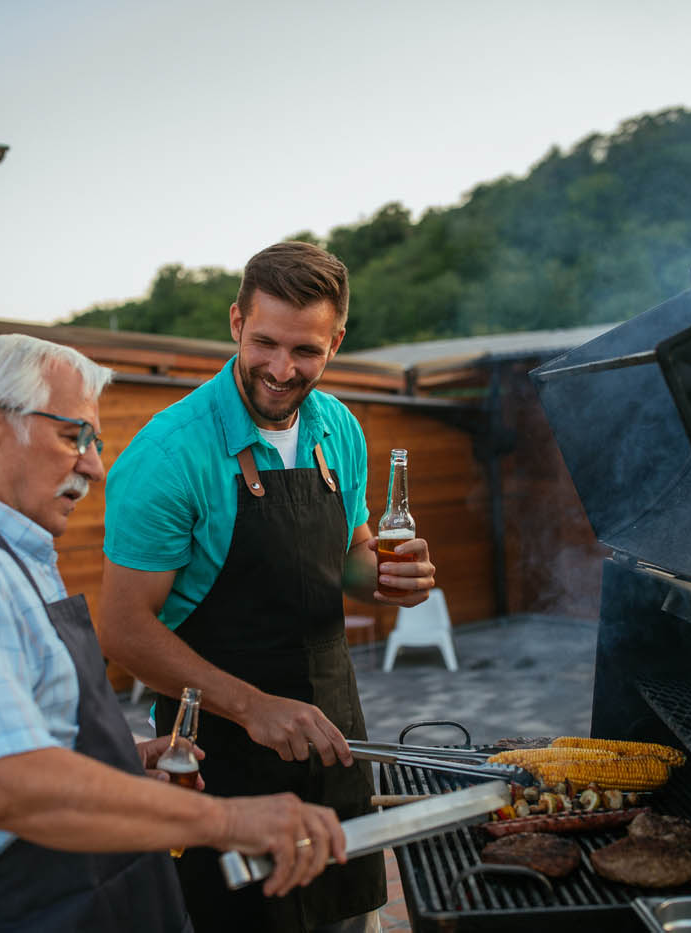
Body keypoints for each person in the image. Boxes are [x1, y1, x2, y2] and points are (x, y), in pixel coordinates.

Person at [0, 334, 347, 933]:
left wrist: (114, 761)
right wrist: (229, 821)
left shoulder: (2, 555)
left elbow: (18, 737)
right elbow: (1, 785)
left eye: (94, 442)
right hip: (4, 912)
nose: (94, 465)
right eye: (73, 436)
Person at [98, 242, 438, 933]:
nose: (283, 370)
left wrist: (387, 577)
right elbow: (125, 629)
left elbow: (346, 557)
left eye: (306, 350)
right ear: (234, 323)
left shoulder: (338, 428)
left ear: (337, 341)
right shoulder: (168, 455)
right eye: (265, 343)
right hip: (219, 761)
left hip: (335, 739)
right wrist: (252, 708)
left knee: (349, 918)